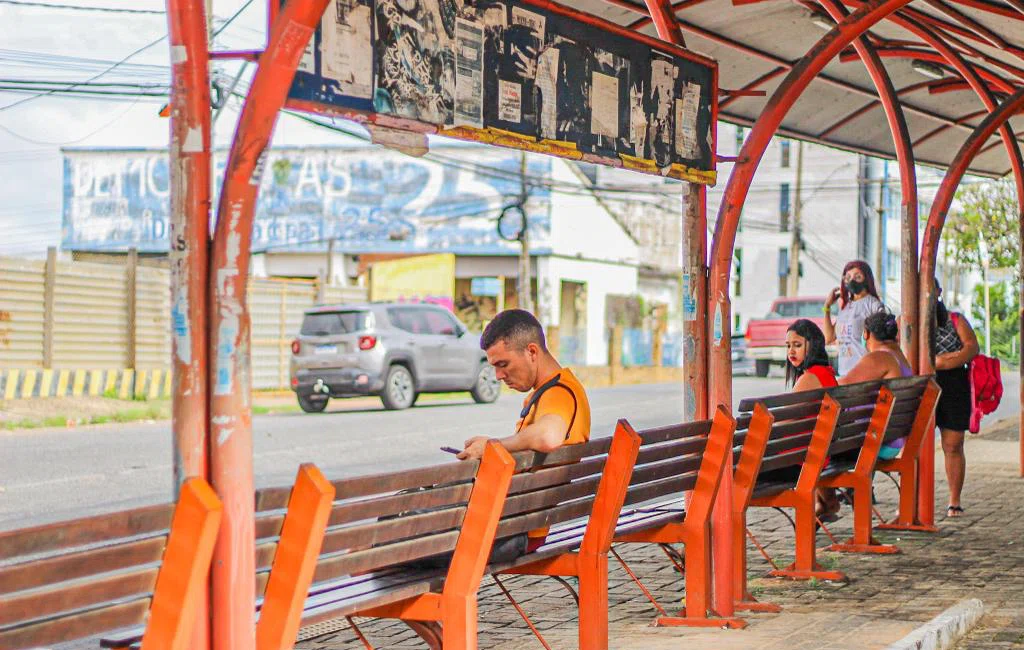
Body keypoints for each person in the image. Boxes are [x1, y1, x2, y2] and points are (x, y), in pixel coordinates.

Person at [459, 308, 591, 550]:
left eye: (503, 364)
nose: (498, 375)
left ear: (532, 351)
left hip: (516, 533)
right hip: (513, 525)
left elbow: (548, 436)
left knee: (406, 542)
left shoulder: (559, 394)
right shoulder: (555, 391)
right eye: (494, 367)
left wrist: (492, 446)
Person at [775, 319, 840, 519]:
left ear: (812, 345)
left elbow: (781, 423)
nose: (791, 352)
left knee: (724, 476)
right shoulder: (825, 374)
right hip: (814, 455)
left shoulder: (810, 378)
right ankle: (826, 503)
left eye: (797, 345)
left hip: (798, 462)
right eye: (788, 346)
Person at [931, 280, 979, 518]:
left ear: (938, 291)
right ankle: (915, 501)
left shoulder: (955, 319)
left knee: (953, 443)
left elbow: (971, 347)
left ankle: (954, 501)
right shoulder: (906, 320)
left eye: (931, 288)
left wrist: (943, 361)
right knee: (918, 446)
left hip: (954, 385)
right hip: (924, 385)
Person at [839, 311, 914, 460]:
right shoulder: (900, 357)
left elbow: (843, 385)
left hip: (878, 440)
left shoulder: (880, 357)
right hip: (893, 437)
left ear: (866, 334)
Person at [823, 260, 884, 377]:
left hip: (865, 374)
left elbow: (882, 342)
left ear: (866, 279)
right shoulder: (846, 306)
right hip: (844, 373)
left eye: (858, 276)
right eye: (848, 277)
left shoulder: (873, 305)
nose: (852, 280)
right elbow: (829, 337)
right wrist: (827, 307)